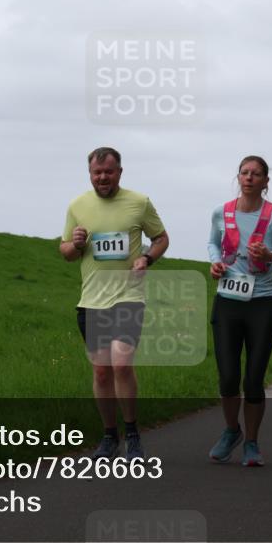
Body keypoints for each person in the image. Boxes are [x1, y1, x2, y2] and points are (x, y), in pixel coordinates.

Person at [60, 147, 169, 460]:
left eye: (108, 171)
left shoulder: (139, 203)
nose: (103, 177)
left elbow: (161, 238)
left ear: (119, 172)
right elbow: (65, 252)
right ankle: (110, 437)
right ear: (90, 174)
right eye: (97, 172)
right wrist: (75, 244)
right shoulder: (77, 206)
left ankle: (133, 433)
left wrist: (147, 258)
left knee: (121, 364)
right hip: (92, 301)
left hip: (128, 297)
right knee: (102, 373)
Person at [207, 156, 272, 467]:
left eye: (256, 174)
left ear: (265, 181)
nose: (249, 177)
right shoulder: (222, 212)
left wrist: (271, 254)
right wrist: (216, 263)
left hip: (262, 301)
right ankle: (231, 430)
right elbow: (212, 244)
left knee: (254, 378)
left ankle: (252, 442)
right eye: (245, 172)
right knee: (228, 377)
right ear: (238, 177)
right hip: (228, 300)